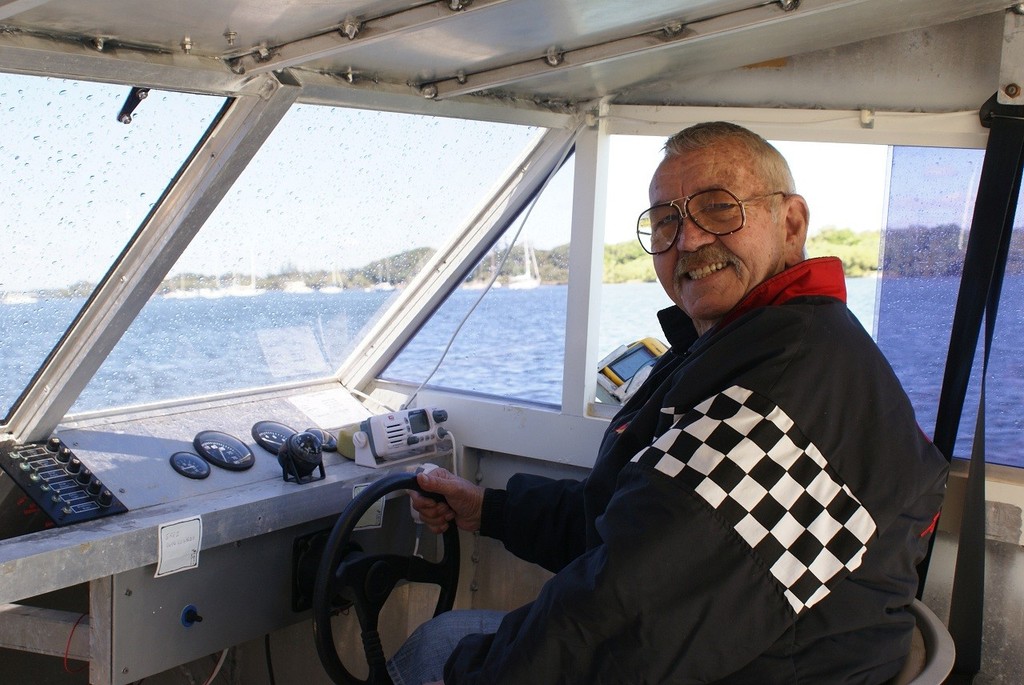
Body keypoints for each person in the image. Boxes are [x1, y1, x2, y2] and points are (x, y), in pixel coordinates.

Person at [388, 121, 949, 684]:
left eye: (718, 207)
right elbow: (634, 523)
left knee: (437, 656)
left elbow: (620, 624)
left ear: (792, 223)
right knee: (445, 639)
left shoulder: (787, 384)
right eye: (666, 221)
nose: (690, 239)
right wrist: (490, 510)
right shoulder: (745, 345)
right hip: (751, 651)